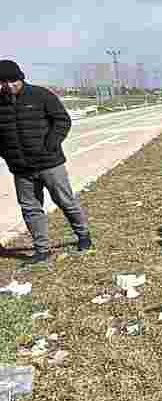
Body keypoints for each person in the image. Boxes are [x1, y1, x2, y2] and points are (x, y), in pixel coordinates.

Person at [0, 59, 93, 265]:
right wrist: (7, 154)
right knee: (30, 209)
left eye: (12, 81)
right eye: (3, 82)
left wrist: (50, 145)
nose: (8, 85)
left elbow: (62, 120)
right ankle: (42, 250)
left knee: (65, 201)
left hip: (50, 164)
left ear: (21, 78)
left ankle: (84, 236)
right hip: (21, 169)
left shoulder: (41, 95)